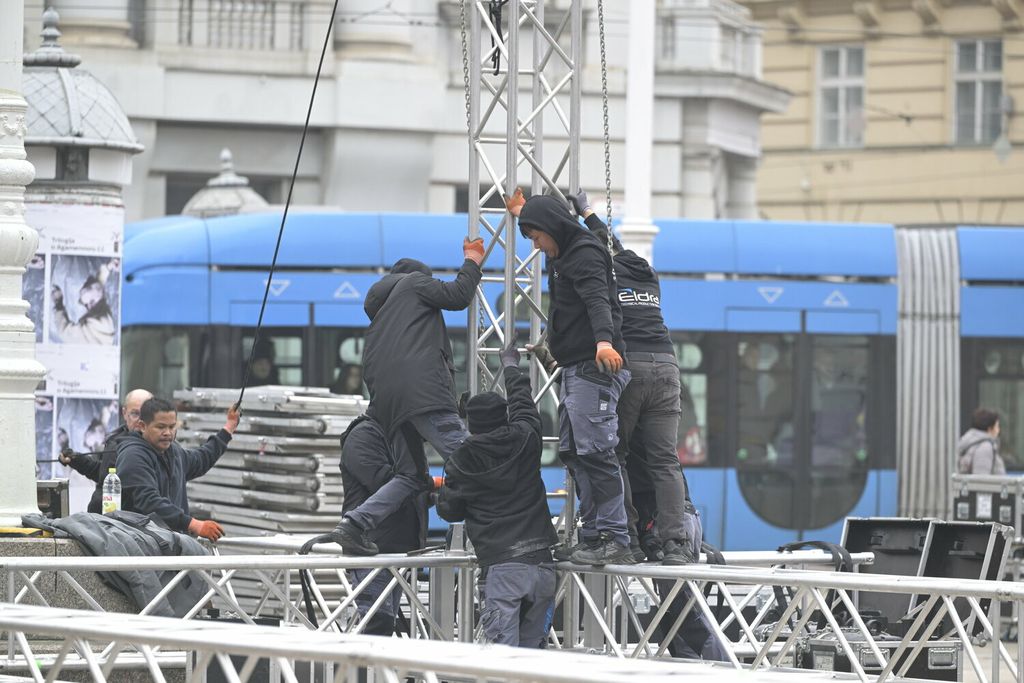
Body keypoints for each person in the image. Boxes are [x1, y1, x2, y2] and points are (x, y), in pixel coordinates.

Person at [328, 239, 484, 555]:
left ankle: (354, 524)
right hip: (421, 395)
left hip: (389, 407)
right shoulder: (414, 284)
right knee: (474, 459)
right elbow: (458, 295)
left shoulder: (380, 319)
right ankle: (498, 529)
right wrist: (472, 260)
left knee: (412, 477)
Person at [566, 189, 695, 565]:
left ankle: (629, 539)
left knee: (615, 454)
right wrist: (588, 212)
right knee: (665, 460)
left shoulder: (603, 275)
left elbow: (599, 250)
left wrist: (577, 216)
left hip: (630, 366)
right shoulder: (648, 276)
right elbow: (613, 244)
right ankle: (675, 544)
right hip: (667, 366)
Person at [506, 190, 631, 566]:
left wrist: (604, 342)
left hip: (594, 367)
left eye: (536, 237)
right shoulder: (564, 250)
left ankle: (614, 536)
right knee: (576, 453)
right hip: (576, 369)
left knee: (596, 452)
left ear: (552, 229)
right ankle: (593, 535)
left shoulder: (584, 254)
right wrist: (522, 212)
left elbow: (597, 300)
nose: (537, 246)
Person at [436, 341, 558, 647]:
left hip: (502, 569)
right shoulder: (525, 439)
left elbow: (450, 511)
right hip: (542, 565)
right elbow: (524, 405)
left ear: (470, 424)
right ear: (503, 418)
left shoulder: (461, 460)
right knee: (536, 666)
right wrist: (511, 367)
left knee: (501, 666)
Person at [300, 409, 429, 634]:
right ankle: (362, 670)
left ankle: (376, 669)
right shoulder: (363, 436)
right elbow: (386, 484)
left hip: (395, 550)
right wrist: (425, 483)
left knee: (384, 626)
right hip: (372, 549)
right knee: (376, 626)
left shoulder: (395, 436)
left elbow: (406, 490)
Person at [117, 398, 240, 541]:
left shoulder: (174, 452)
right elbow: (149, 501)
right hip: (140, 547)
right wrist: (193, 524)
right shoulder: (132, 456)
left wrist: (230, 426)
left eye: (172, 427)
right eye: (161, 427)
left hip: (173, 545)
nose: (167, 433)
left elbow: (202, 458)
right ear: (142, 426)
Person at [60, 389, 154, 513]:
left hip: (131, 524)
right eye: (135, 414)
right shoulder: (115, 439)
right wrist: (76, 460)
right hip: (102, 519)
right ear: (125, 413)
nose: (140, 420)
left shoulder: (159, 448)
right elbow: (105, 475)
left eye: (145, 415)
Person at [51, 259, 118, 345]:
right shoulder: (102, 309)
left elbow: (64, 332)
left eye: (85, 304)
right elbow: (97, 288)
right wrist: (108, 268)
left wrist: (58, 303)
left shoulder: (92, 329)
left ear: (91, 305)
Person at [958, 408, 1005, 475]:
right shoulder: (985, 447)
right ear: (990, 429)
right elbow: (981, 480)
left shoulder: (973, 443)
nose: (998, 430)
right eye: (997, 426)